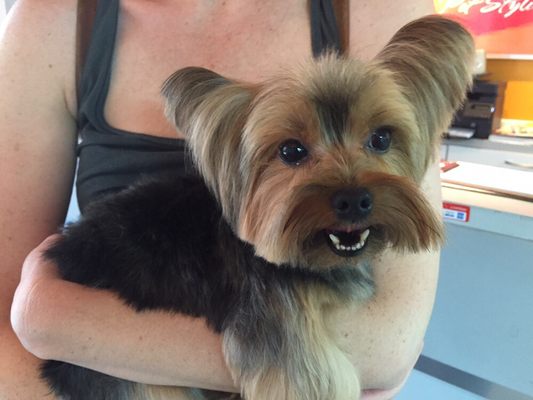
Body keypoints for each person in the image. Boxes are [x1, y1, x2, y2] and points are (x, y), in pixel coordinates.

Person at [1, 0, 441, 399]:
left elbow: (387, 348)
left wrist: (53, 320)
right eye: (293, 153)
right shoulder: (53, 19)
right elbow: (6, 328)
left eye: (379, 139)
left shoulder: (378, 9)